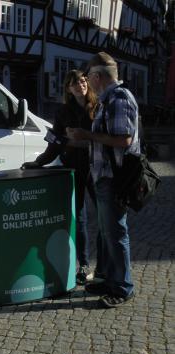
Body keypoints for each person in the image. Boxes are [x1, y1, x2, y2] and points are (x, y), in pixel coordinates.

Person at [66, 52, 138, 308]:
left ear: (97, 77)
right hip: (104, 175)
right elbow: (109, 138)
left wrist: (87, 134)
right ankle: (108, 278)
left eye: (89, 77)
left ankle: (122, 287)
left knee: (116, 233)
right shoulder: (109, 100)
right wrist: (82, 139)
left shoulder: (119, 99)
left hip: (114, 177)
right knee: (108, 233)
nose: (88, 82)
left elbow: (124, 139)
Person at [22, 69, 97, 285]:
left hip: (99, 169)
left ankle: (107, 265)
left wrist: (78, 141)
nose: (80, 85)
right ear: (68, 88)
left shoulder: (99, 107)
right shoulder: (63, 112)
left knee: (105, 218)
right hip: (75, 168)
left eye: (83, 81)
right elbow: (55, 142)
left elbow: (107, 139)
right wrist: (39, 162)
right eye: (74, 83)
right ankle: (84, 265)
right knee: (80, 219)